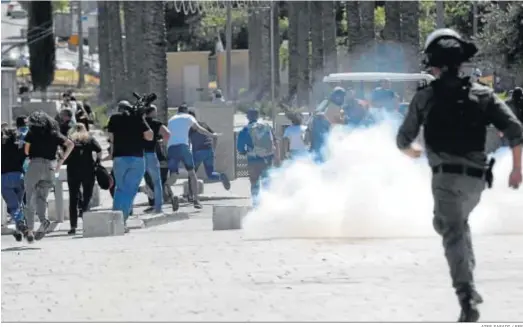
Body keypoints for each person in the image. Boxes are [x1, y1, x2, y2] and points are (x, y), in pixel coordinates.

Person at [396, 28, 523, 322]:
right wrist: (517, 170)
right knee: (457, 223)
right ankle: (468, 276)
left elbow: (403, 140)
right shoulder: (483, 94)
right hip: (477, 182)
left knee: (449, 229)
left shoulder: (425, 97)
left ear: (434, 65)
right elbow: (516, 131)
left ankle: (466, 295)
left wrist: (414, 152)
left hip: (444, 179)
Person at [24, 111, 75, 242]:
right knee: (42, 197)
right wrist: (61, 160)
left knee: (29, 197)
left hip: (34, 165)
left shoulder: (31, 133)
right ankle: (43, 221)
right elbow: (70, 144)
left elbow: (26, 151)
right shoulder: (54, 134)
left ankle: (30, 230)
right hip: (50, 167)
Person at [107, 100, 153, 231]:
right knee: (130, 190)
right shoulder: (137, 118)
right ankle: (122, 221)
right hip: (137, 158)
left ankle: (115, 218)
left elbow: (111, 139)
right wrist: (142, 119)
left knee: (120, 189)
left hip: (119, 158)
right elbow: (149, 136)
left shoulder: (114, 118)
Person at [165, 104, 218, 210]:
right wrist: (212, 135)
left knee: (174, 175)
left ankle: (171, 194)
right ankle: (196, 200)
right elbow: (199, 129)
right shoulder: (189, 117)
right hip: (183, 148)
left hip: (171, 148)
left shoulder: (171, 120)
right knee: (192, 174)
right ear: (186, 111)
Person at [64, 123, 102, 235]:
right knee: (87, 194)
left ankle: (73, 227)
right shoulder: (89, 139)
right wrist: (97, 162)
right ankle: (84, 210)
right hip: (88, 170)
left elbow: (62, 153)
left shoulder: (69, 140)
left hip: (72, 171)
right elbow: (99, 150)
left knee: (73, 198)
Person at [237, 108, 279, 207]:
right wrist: (276, 156)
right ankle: (268, 203)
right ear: (258, 116)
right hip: (267, 159)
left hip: (253, 159)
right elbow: (275, 141)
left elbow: (240, 147)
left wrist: (244, 152)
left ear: (248, 117)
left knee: (254, 182)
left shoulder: (246, 129)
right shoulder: (267, 126)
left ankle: (256, 205)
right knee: (266, 181)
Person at [188, 110, 230, 191]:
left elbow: (188, 142)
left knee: (191, 174)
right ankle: (221, 176)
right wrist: (213, 149)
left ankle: (191, 195)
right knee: (210, 174)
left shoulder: (190, 128)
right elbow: (215, 136)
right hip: (209, 150)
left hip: (198, 152)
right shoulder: (203, 124)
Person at [142, 105, 171, 213]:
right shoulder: (156, 123)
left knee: (134, 182)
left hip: (138, 155)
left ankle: (129, 209)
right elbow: (167, 134)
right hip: (150, 154)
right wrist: (162, 142)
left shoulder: (139, 123)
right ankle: (158, 207)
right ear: (152, 112)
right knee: (157, 181)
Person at [306, 87, 346, 163]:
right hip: (322, 134)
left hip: (324, 134)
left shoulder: (328, 103)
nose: (341, 98)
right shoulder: (331, 105)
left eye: (342, 96)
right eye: (339, 96)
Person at [1, 127, 27, 242]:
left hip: (5, 177)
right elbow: (25, 156)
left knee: (13, 206)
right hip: (19, 176)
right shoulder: (19, 146)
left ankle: (20, 224)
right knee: (18, 205)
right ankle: (18, 230)